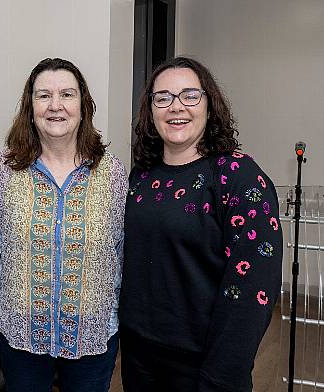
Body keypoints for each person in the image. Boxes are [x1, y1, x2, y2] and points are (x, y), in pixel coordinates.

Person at [120, 56, 282, 391]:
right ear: (150, 110)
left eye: (190, 95)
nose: (176, 107)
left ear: (209, 104)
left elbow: (253, 291)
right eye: (163, 98)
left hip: (203, 365)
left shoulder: (238, 177)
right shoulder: (141, 176)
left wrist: (221, 376)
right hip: (138, 355)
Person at [0, 58, 127, 392]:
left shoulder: (113, 173)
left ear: (83, 105)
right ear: (29, 106)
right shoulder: (2, 171)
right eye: (43, 96)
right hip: (20, 336)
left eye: (67, 94)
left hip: (92, 336)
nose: (55, 106)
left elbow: (123, 250)